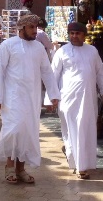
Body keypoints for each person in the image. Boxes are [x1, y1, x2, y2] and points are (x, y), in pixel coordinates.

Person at [0, 14, 60, 184]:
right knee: (13, 131)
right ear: (21, 29)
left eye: (36, 28)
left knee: (27, 132)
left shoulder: (38, 47)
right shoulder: (7, 45)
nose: (35, 31)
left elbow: (47, 72)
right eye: (32, 28)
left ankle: (21, 169)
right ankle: (9, 167)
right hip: (11, 97)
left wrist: (53, 95)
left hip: (32, 97)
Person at [48, 22, 103, 179]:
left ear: (83, 35)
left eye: (77, 33)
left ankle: (83, 164)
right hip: (68, 99)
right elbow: (53, 75)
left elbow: (100, 73)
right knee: (72, 131)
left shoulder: (92, 51)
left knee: (87, 130)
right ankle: (80, 166)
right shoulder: (62, 51)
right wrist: (51, 98)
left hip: (89, 99)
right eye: (71, 33)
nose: (74, 36)